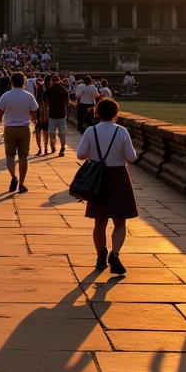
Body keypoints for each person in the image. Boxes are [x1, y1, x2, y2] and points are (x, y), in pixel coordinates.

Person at [76, 97, 138, 275]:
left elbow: (81, 154)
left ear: (96, 112)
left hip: (98, 178)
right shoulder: (121, 131)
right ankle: (115, 254)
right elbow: (131, 157)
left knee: (100, 221)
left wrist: (94, 154)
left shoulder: (91, 131)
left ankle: (100, 256)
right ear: (116, 114)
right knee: (120, 221)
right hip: (118, 176)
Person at [0, 71, 37, 194]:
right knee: (23, 157)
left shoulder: (6, 96)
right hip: (24, 128)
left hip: (10, 128)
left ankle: (13, 176)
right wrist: (32, 119)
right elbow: (34, 112)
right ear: (23, 82)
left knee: (10, 156)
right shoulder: (29, 96)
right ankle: (22, 184)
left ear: (11, 82)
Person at [45, 74, 69, 155]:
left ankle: (53, 147)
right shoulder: (64, 90)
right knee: (62, 133)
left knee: (51, 133)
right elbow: (67, 102)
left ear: (51, 81)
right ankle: (62, 147)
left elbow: (44, 100)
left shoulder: (49, 90)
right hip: (62, 115)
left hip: (52, 115)